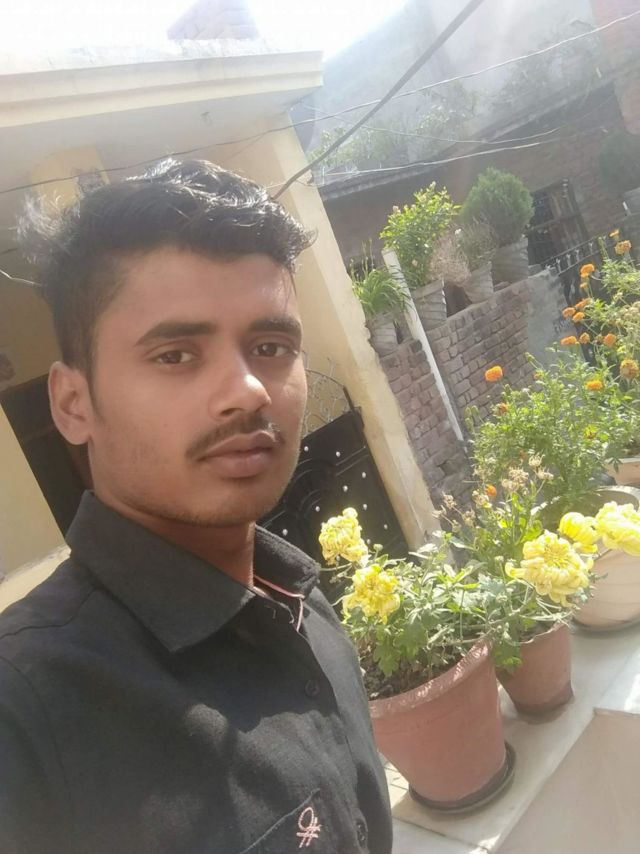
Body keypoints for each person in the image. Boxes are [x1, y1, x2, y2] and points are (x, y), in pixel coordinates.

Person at [0, 160, 393, 854]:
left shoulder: (303, 606)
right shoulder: (27, 717)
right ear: (73, 403)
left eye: (271, 347)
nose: (249, 390)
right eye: (176, 355)